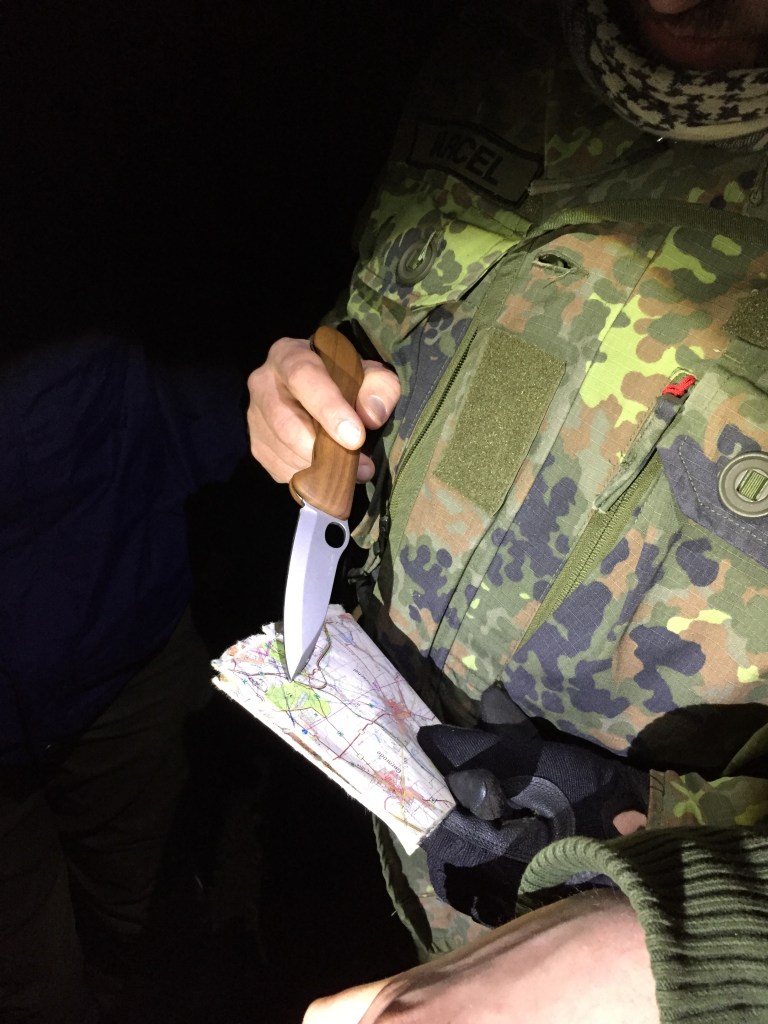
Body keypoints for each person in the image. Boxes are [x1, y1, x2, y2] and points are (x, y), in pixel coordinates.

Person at [246, 0, 768, 1020]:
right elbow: (390, 329)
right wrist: (308, 396)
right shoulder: (495, 51)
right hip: (409, 859)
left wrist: (664, 940)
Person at [0, 335, 246, 1023]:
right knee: (32, 982)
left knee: (135, 912)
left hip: (130, 646)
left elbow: (187, 341)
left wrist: (246, 416)